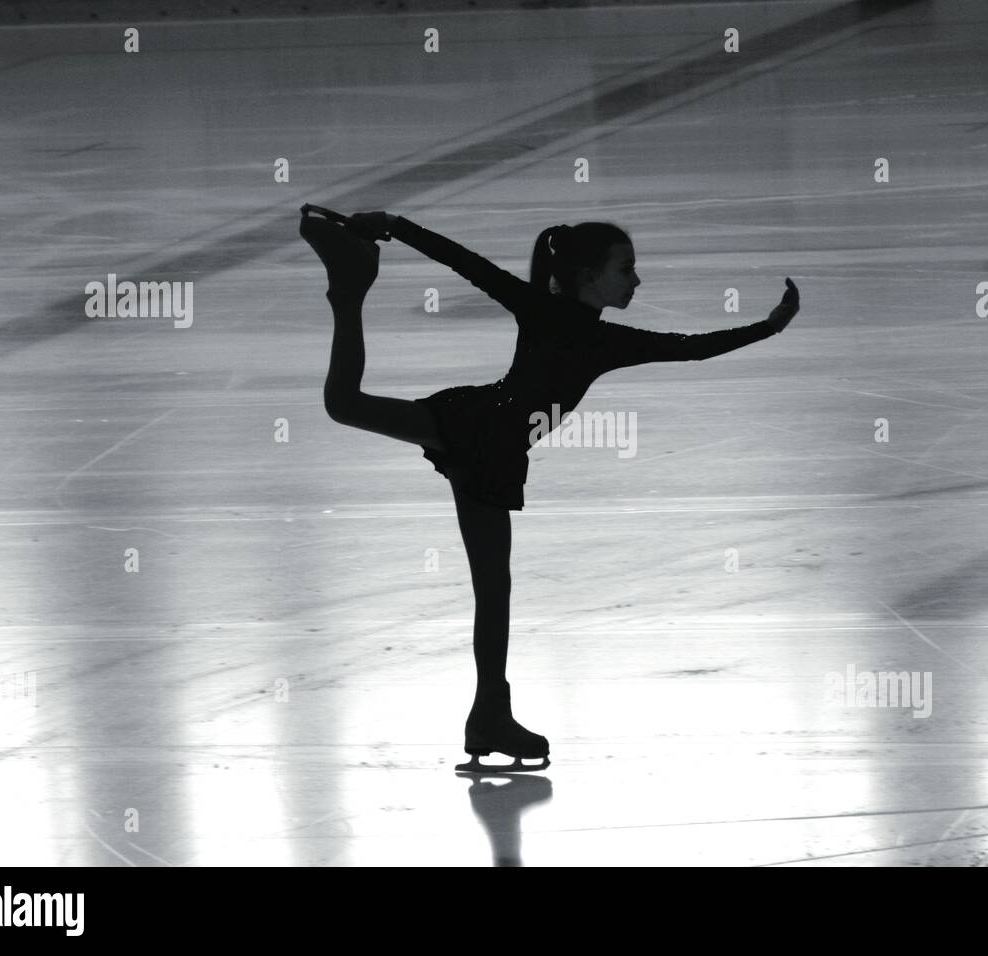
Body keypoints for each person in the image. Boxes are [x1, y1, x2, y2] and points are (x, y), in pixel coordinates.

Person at [299, 204, 799, 772]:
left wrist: (770, 325)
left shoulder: (604, 339)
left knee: (493, 590)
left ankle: (490, 713)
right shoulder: (558, 318)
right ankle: (349, 285)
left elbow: (690, 347)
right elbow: (466, 262)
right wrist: (394, 224)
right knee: (347, 407)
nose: (637, 279)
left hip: (487, 445)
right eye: (626, 268)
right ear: (590, 276)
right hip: (479, 433)